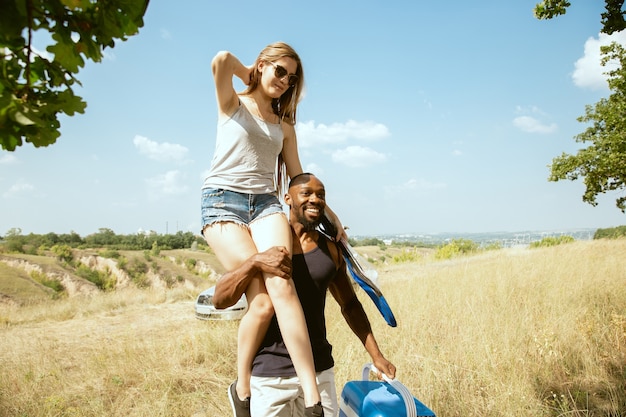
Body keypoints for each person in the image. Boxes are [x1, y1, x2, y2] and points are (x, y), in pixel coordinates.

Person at [201, 42, 344, 417]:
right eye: (279, 71)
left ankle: (312, 397)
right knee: (261, 304)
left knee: (283, 284)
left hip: (266, 203)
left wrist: (329, 211)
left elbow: (297, 176)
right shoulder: (232, 103)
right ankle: (242, 388)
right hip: (222, 202)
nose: (284, 81)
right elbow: (219, 61)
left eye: (291, 77)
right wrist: (249, 70)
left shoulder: (285, 125)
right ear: (263, 65)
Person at [213, 173, 396, 417]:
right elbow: (220, 300)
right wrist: (254, 263)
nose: (315, 199)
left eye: (321, 195)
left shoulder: (330, 249)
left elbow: (349, 305)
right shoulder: (263, 243)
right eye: (307, 193)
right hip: (269, 374)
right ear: (288, 198)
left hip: (319, 370)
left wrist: (377, 355)